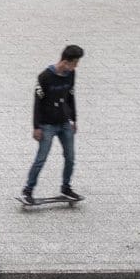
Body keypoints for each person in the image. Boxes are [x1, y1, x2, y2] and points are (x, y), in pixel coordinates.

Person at [22, 44, 85, 205]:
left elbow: (71, 96)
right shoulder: (45, 77)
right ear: (66, 61)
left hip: (64, 123)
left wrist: (74, 119)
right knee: (41, 159)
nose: (76, 66)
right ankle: (27, 190)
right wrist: (36, 127)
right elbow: (37, 102)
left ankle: (66, 188)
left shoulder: (71, 74)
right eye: (75, 63)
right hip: (47, 125)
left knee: (70, 158)